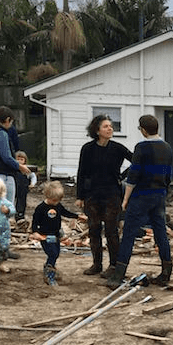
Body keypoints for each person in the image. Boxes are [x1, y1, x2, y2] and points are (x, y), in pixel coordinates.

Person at [106, 114, 173, 290]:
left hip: (141, 195)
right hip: (159, 195)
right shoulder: (167, 148)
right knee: (160, 233)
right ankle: (166, 272)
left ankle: (117, 275)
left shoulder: (141, 148)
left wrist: (126, 199)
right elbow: (168, 176)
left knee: (128, 233)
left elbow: (133, 175)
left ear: (143, 129)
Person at [75, 115, 133, 278]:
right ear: (97, 130)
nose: (110, 129)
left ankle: (114, 265)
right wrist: (80, 196)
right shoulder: (87, 149)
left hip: (112, 195)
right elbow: (81, 173)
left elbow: (136, 161)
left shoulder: (117, 148)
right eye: (106, 126)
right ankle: (96, 264)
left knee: (111, 231)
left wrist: (122, 176)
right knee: (94, 230)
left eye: (111, 126)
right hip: (92, 195)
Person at [30, 181, 79, 286]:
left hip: (56, 234)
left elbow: (66, 212)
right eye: (55, 200)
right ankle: (49, 274)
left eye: (59, 200)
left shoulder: (58, 205)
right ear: (47, 196)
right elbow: (34, 222)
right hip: (45, 235)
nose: (57, 202)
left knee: (56, 252)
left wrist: (78, 217)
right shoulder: (41, 208)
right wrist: (35, 232)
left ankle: (49, 266)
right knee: (52, 253)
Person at [13, 150, 37, 223]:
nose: (19, 161)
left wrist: (32, 184)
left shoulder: (27, 169)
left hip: (23, 188)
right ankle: (12, 213)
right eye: (18, 159)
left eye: (21, 159)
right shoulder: (13, 169)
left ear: (25, 160)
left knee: (22, 201)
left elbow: (33, 176)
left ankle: (20, 215)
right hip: (14, 187)